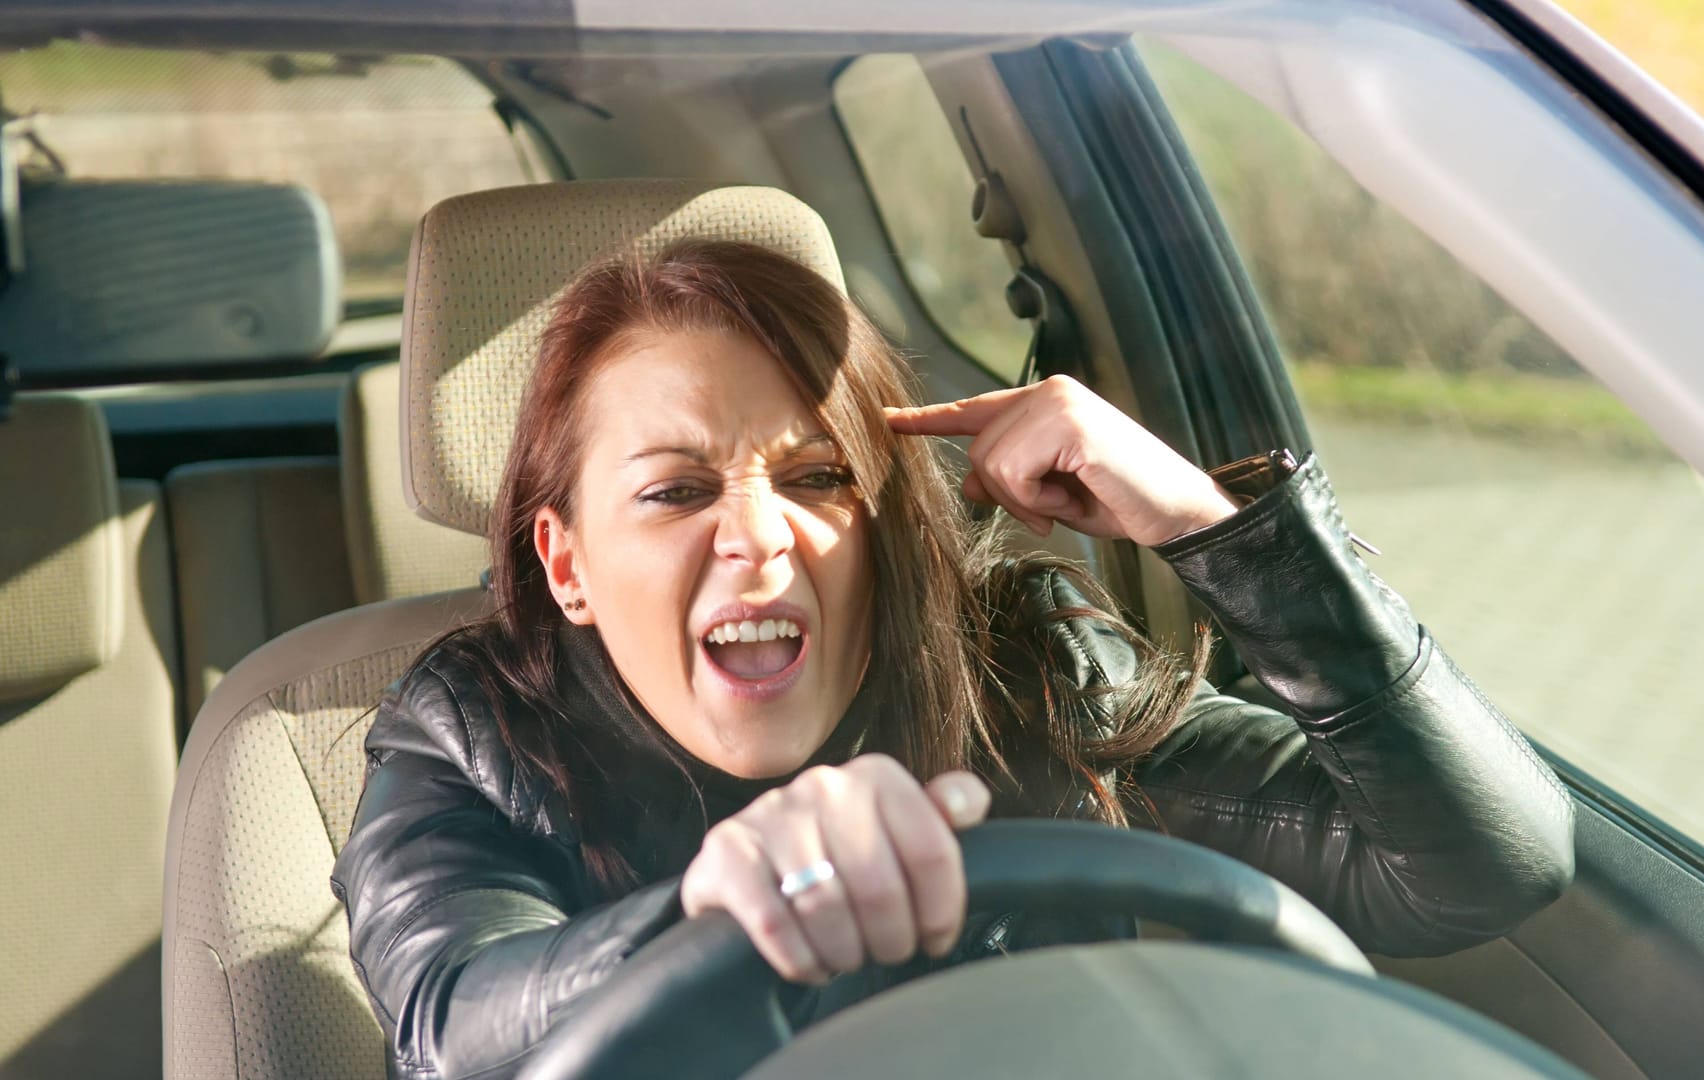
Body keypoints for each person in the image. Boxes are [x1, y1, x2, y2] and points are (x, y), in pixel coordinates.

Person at [331, 238, 1574, 1078]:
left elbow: (1480, 865)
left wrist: (1210, 523)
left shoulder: (1019, 667)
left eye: (818, 477)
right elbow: (455, 1025)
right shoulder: (466, 731)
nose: (760, 534)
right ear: (566, 566)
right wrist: (717, 908)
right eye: (674, 491)